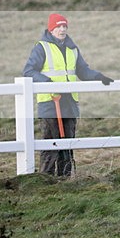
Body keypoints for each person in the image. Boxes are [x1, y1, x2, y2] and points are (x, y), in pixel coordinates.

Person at [23, 13, 113, 176]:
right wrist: (48, 83)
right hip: (50, 102)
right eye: (58, 26)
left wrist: (98, 76)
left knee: (68, 141)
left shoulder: (72, 49)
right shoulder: (41, 47)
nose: (62, 29)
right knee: (51, 142)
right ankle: (46, 178)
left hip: (69, 102)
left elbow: (83, 71)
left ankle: (65, 177)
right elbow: (29, 71)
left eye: (64, 26)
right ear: (51, 29)